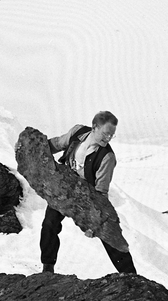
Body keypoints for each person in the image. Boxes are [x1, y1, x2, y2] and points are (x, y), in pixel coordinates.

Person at [40, 110, 138, 274]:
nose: (108, 139)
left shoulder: (107, 157)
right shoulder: (78, 132)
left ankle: (130, 275)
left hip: (89, 198)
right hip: (64, 188)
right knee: (49, 224)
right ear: (94, 127)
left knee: (108, 233)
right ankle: (47, 268)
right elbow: (56, 144)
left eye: (111, 136)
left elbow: (101, 192)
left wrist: (94, 223)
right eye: (106, 134)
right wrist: (34, 148)